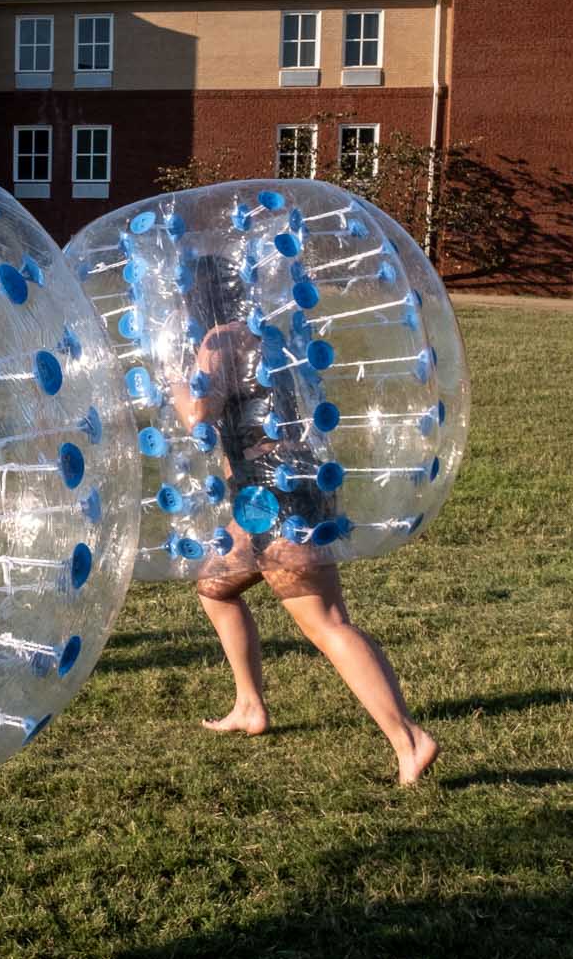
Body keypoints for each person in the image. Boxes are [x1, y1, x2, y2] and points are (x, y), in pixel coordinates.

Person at [171, 256, 438, 784]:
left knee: (327, 622)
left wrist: (171, 383)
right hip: (288, 486)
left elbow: (199, 414)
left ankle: (409, 739)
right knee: (215, 587)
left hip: (275, 499)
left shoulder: (221, 341)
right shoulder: (271, 335)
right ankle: (250, 706)